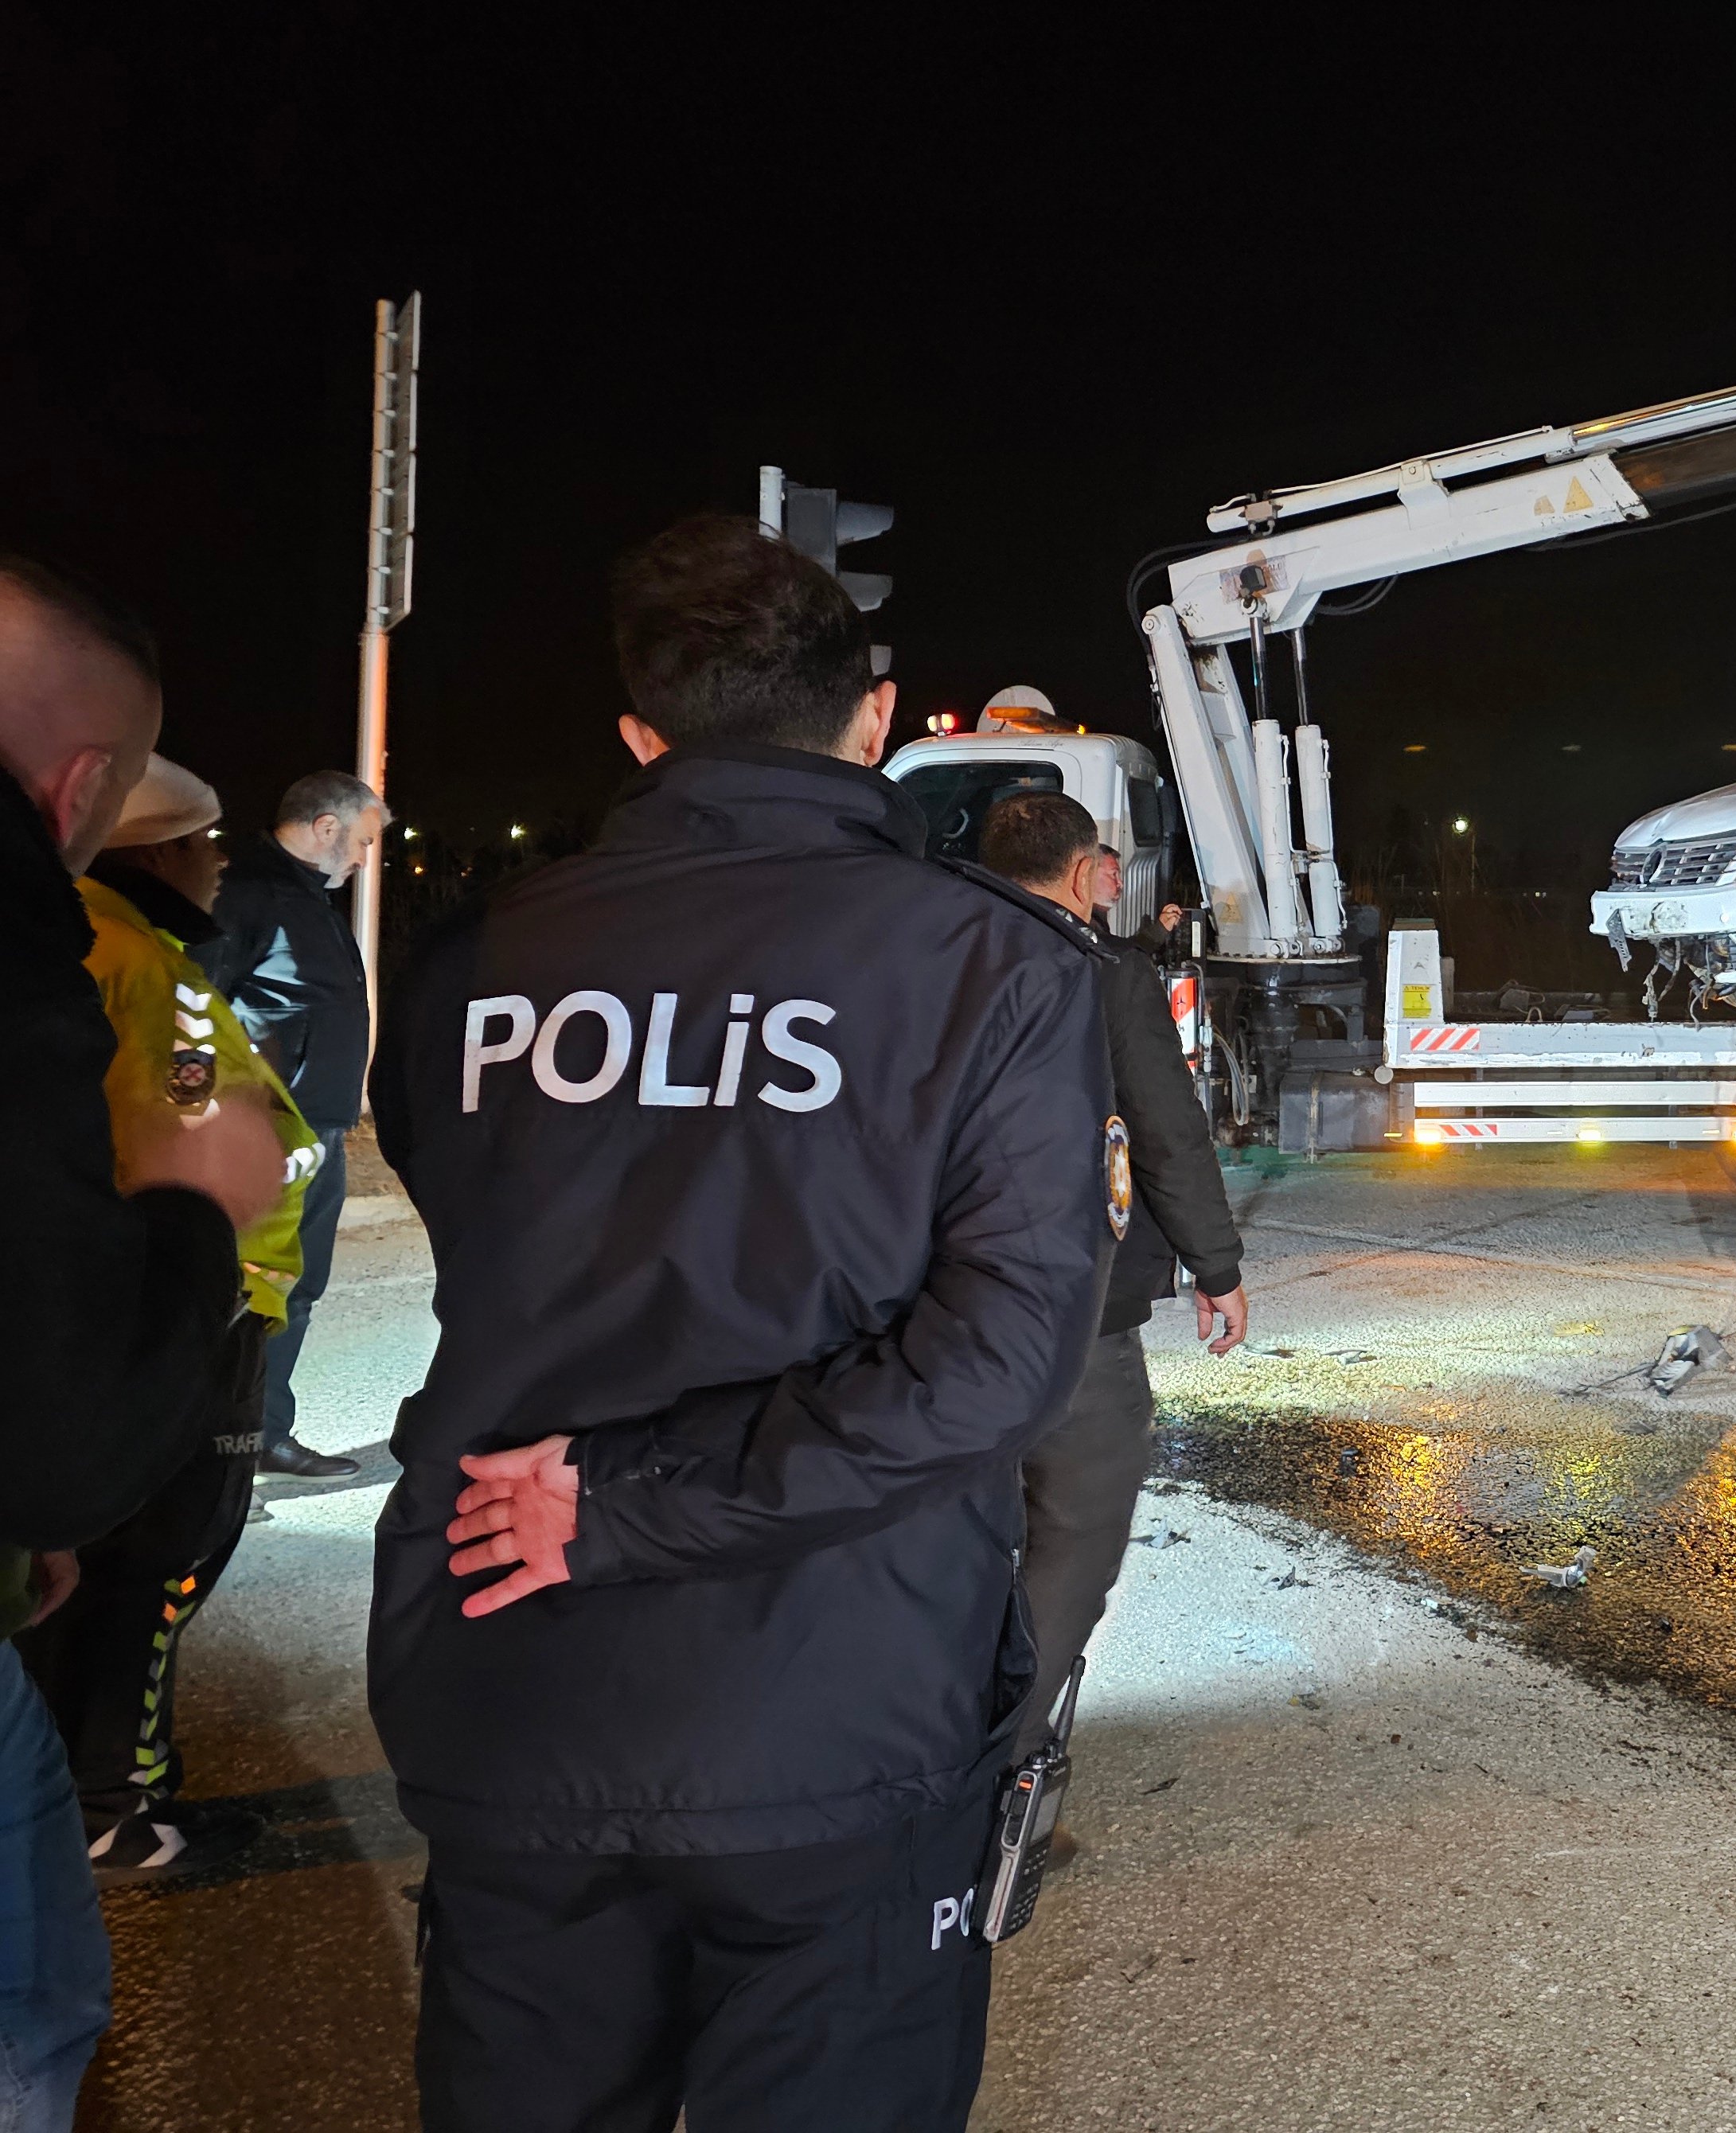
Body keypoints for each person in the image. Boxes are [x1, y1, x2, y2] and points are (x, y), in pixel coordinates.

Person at [369, 515, 1118, 2133]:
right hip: (834, 1696)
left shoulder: (471, 958)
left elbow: (482, 1234)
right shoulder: (992, 968)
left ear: (640, 737)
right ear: (877, 715)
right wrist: (635, 1499)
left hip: (513, 1676)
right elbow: (996, 1362)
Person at [0, 556, 282, 2133]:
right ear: (86, 786)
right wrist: (199, 1214)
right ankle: (126, 1797)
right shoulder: (62, 958)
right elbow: (68, 1414)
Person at [21, 758, 318, 1880]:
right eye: (205, 841)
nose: (221, 860)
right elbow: (200, 1131)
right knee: (162, 1559)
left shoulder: (71, 937)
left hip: (130, 1297)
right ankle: (117, 1806)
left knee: (99, 1558)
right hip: (204, 1296)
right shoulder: (148, 965)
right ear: (155, 851)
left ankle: (75, 1794)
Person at [979, 794, 1244, 1762]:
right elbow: (1167, 1132)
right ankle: (992, 1764)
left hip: (935, 1307)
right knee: (1079, 1524)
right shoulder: (1106, 976)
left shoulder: (929, 958)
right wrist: (1216, 1266)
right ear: (1092, 872)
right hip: (1070, 1313)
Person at [206, 769, 388, 1480]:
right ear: (325, 828)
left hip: (316, 1125)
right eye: (363, 841)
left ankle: (261, 1436)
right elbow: (204, 1007)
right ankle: (220, 1449)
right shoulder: (250, 895)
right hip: (270, 1130)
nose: (364, 859)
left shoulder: (302, 898)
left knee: (296, 1286)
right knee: (251, 1290)